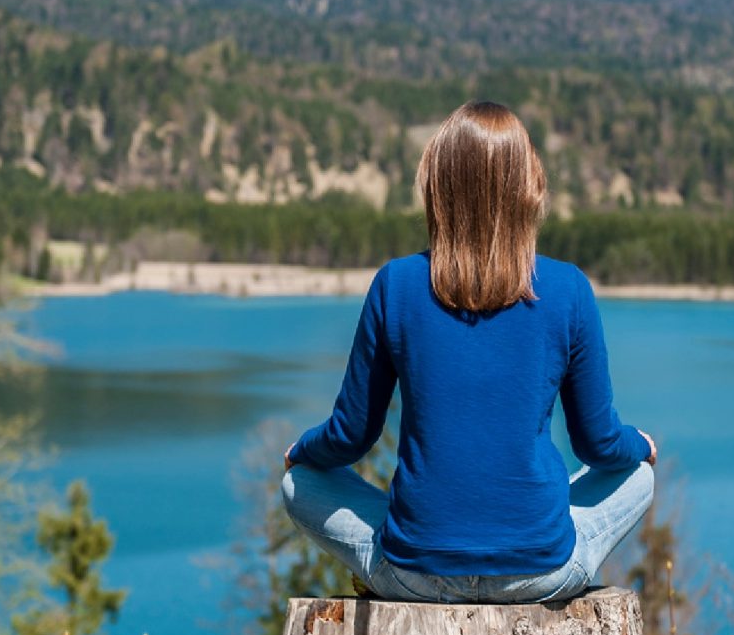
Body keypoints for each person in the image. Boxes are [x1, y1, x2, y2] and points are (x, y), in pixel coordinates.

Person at [280, 101, 656, 604]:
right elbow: (600, 446)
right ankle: (537, 541)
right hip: (538, 575)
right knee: (640, 477)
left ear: (437, 187)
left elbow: (349, 437)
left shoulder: (396, 284)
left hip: (415, 575)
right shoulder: (568, 289)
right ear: (528, 188)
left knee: (298, 486)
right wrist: (642, 446)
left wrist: (299, 452)